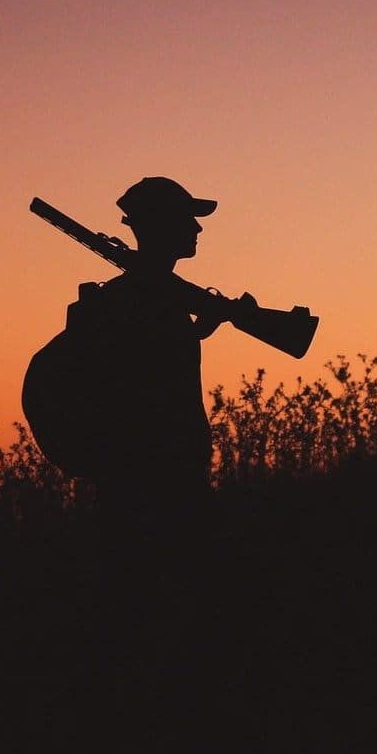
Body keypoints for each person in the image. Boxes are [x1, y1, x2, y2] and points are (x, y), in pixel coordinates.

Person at [82, 177, 235, 549]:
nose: (197, 228)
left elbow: (155, 362)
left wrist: (198, 330)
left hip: (160, 482)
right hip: (154, 489)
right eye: (187, 219)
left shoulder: (151, 297)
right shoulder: (143, 299)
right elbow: (143, 390)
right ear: (161, 225)